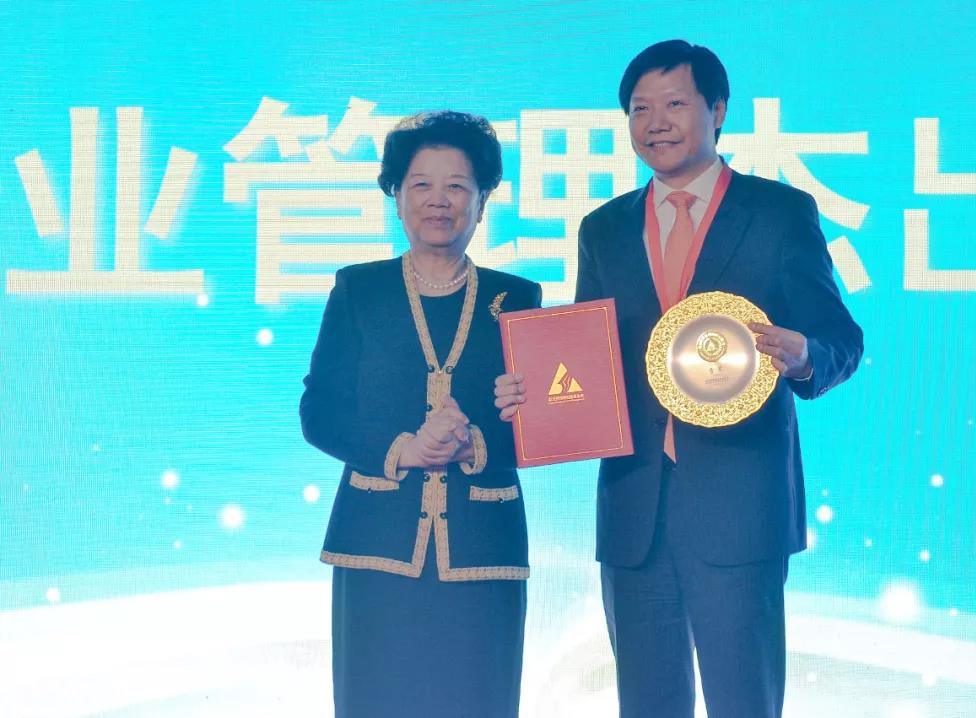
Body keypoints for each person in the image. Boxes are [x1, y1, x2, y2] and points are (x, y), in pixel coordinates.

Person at [496, 40, 863, 716]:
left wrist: (804, 354)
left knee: (744, 701)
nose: (655, 123)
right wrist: (535, 394)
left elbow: (843, 339)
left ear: (717, 110)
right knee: (646, 702)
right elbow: (587, 355)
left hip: (741, 505)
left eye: (674, 104)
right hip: (634, 508)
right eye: (640, 109)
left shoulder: (779, 213)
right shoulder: (604, 228)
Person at [301, 110, 541, 718]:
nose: (440, 200)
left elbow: (544, 422)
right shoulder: (359, 290)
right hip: (376, 542)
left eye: (457, 186)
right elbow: (319, 410)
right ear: (397, 196)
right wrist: (403, 449)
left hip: (483, 545)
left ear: (482, 202)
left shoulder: (518, 298)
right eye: (422, 185)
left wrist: (479, 444)